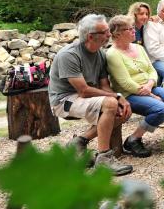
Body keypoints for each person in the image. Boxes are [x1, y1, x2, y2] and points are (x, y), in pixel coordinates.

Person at [48, 14, 133, 175]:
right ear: (90, 36)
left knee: (124, 110)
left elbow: (104, 86)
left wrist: (119, 97)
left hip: (85, 97)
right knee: (111, 104)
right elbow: (83, 91)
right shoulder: (69, 55)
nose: (110, 34)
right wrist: (115, 97)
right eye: (105, 32)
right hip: (64, 101)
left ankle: (80, 141)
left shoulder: (100, 54)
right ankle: (104, 159)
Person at [106, 15, 164, 158]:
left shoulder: (138, 48)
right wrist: (150, 94)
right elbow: (125, 83)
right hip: (129, 94)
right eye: (128, 29)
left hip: (149, 87)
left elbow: (151, 70)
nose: (133, 31)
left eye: (132, 28)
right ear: (117, 34)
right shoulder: (113, 54)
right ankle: (133, 140)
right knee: (161, 109)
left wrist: (150, 85)